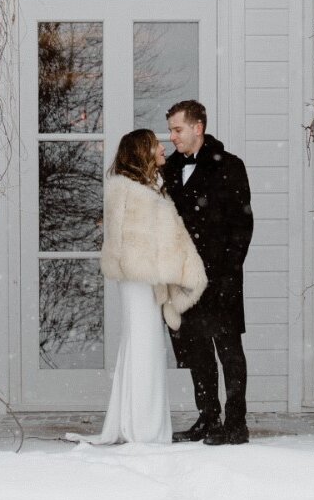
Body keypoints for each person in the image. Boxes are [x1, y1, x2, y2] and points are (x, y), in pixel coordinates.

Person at [72, 128, 207, 446]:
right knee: (144, 348)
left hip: (148, 277)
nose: (163, 148)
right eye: (156, 144)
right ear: (142, 152)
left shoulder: (149, 186)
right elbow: (126, 242)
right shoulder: (128, 189)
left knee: (145, 348)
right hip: (139, 279)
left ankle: (139, 423)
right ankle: (143, 429)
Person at [161, 99, 254, 444]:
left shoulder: (229, 166)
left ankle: (236, 423)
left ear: (198, 127)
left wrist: (229, 270)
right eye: (171, 130)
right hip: (183, 279)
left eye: (177, 129)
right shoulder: (168, 170)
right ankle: (208, 417)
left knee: (228, 349)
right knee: (196, 351)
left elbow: (242, 224)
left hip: (221, 276)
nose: (172, 137)